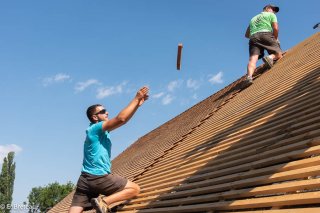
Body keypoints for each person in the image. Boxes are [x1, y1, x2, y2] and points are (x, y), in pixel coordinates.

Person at [69, 86, 149, 213]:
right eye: (103, 111)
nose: (107, 113)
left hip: (84, 180)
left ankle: (101, 202)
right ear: (95, 117)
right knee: (134, 189)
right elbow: (120, 119)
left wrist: (137, 105)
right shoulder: (96, 129)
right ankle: (104, 202)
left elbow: (123, 120)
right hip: (97, 176)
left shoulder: (98, 132)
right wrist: (135, 99)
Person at [245, 4, 283, 84]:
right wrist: (275, 39)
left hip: (253, 38)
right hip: (265, 34)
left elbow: (246, 35)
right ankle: (270, 57)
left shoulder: (253, 19)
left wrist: (255, 35)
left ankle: (249, 77)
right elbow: (275, 28)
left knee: (252, 59)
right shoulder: (271, 15)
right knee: (279, 54)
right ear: (267, 8)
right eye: (273, 9)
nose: (274, 12)